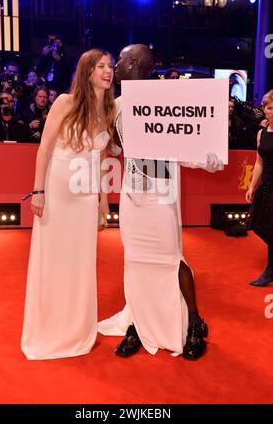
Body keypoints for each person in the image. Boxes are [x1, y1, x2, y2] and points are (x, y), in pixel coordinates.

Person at [98, 44, 224, 360]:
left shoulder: (167, 101)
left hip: (161, 192)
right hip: (131, 196)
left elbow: (185, 143)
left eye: (121, 60)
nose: (116, 64)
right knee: (135, 261)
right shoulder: (117, 105)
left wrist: (207, 158)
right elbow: (114, 148)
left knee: (172, 257)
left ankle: (194, 322)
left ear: (137, 63)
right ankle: (139, 324)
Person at [21, 49, 115, 360]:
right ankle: (50, 326)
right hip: (59, 190)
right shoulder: (65, 102)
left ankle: (76, 326)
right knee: (55, 259)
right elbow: (44, 149)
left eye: (110, 66)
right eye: (100, 66)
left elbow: (102, 158)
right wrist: (38, 191)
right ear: (87, 70)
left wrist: (103, 200)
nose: (107, 71)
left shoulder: (109, 111)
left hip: (86, 195)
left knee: (81, 261)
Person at [246, 90, 273, 286]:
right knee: (265, 228)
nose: (266, 111)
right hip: (267, 187)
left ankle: (270, 269)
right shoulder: (261, 133)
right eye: (265, 107)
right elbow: (259, 163)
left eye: (270, 107)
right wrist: (251, 186)